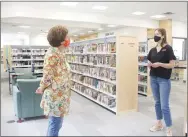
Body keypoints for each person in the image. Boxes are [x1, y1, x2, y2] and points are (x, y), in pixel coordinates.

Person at [36, 25, 71, 136]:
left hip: (60, 97)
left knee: (56, 125)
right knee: (54, 126)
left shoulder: (59, 53)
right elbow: (47, 76)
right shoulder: (52, 55)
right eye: (67, 37)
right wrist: (41, 87)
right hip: (55, 97)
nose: (69, 39)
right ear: (62, 41)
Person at [147, 28, 176, 136]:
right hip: (153, 78)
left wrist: (160, 64)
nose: (156, 36)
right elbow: (149, 60)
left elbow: (172, 64)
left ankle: (169, 127)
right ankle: (159, 123)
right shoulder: (153, 49)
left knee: (164, 105)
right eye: (155, 34)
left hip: (164, 80)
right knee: (157, 103)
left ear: (163, 36)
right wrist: (150, 64)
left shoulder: (168, 49)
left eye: (158, 34)